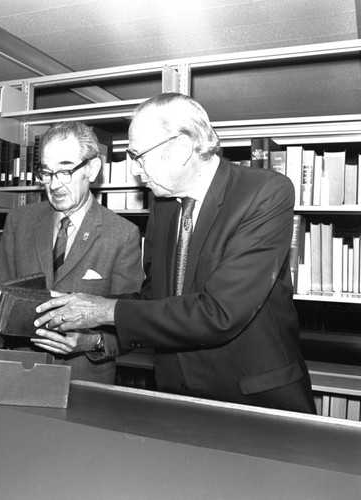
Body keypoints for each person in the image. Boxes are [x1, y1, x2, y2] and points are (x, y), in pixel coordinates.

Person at [34, 92, 317, 414]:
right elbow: (156, 299)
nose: (137, 171)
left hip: (255, 399)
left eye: (139, 156)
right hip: (177, 397)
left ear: (181, 148)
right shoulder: (165, 206)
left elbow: (219, 314)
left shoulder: (264, 193)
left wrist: (103, 310)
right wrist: (82, 316)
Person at [0, 121, 144, 383]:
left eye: (65, 171)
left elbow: (133, 325)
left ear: (92, 169)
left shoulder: (122, 234)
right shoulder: (19, 222)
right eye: (47, 173)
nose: (55, 185)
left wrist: (90, 341)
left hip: (84, 381)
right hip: (21, 372)